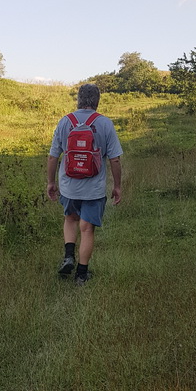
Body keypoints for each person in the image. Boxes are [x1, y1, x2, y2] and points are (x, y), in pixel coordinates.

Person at [47, 83, 123, 285]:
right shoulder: (105, 123)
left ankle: (68, 256)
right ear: (97, 100)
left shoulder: (65, 121)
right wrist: (117, 186)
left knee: (70, 219)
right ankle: (81, 274)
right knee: (87, 228)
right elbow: (115, 159)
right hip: (93, 189)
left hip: (69, 187)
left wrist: (51, 182)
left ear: (78, 99)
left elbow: (53, 157)